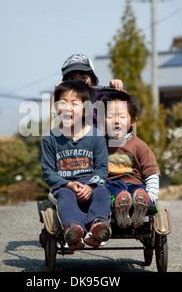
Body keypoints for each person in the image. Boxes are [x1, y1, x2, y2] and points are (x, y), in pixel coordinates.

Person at [41, 80, 112, 250]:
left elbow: (102, 168)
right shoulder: (50, 139)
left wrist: (91, 185)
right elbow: (48, 172)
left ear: (86, 110)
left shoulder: (96, 136)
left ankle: (98, 225)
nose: (67, 108)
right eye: (62, 102)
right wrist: (68, 184)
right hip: (64, 187)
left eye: (74, 103)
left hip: (91, 185)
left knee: (103, 192)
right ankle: (73, 229)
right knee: (65, 196)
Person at [101, 90, 160, 229]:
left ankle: (141, 206)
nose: (116, 121)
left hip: (136, 185)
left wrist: (151, 194)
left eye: (122, 116)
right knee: (114, 192)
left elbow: (151, 172)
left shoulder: (140, 146)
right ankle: (121, 207)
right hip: (112, 185)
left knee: (139, 193)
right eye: (110, 116)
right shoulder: (99, 145)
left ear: (133, 121)